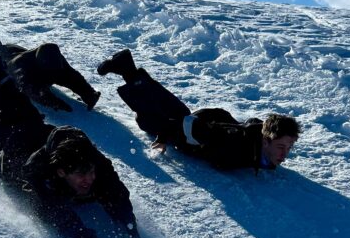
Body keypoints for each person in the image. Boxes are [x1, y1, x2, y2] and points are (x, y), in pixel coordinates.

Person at [0, 5, 147, 238]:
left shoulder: (93, 164)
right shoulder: (41, 175)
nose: (88, 179)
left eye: (89, 173)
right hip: (4, 141)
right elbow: (56, 215)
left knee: (10, 93)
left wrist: (133, 236)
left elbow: (117, 196)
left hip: (31, 128)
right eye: (80, 175)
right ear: (62, 172)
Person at [96, 48, 300, 171]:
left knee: (169, 106)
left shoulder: (259, 145)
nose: (285, 154)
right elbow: (190, 125)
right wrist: (165, 135)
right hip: (187, 132)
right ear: (266, 141)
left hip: (203, 123)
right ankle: (127, 70)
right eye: (281, 147)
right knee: (149, 119)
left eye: (288, 148)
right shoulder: (234, 142)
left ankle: (126, 67)